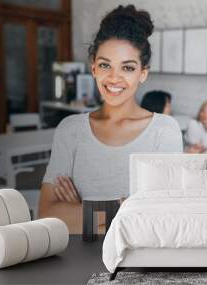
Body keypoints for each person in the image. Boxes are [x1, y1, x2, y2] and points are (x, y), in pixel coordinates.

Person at [38, 5, 183, 233]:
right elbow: (47, 215)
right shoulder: (70, 130)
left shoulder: (164, 131)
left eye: (127, 67)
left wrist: (81, 210)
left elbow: (163, 220)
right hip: (75, 264)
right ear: (94, 67)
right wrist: (122, 207)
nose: (114, 78)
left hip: (139, 266)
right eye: (105, 65)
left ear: (142, 73)